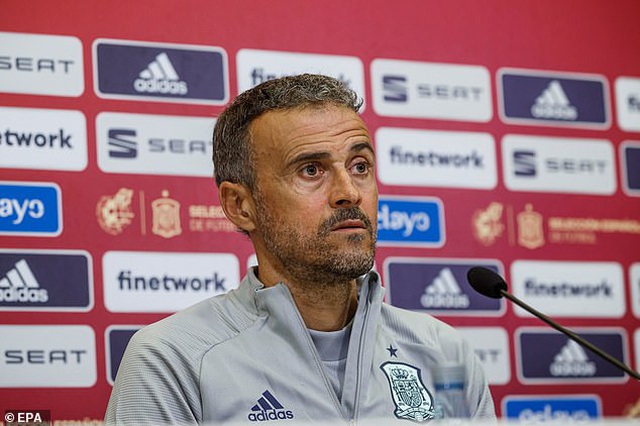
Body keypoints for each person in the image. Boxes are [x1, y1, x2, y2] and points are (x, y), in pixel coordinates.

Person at [105, 74, 496, 425]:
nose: (349, 192)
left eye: (360, 166)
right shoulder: (172, 361)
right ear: (240, 205)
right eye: (311, 170)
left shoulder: (444, 353)